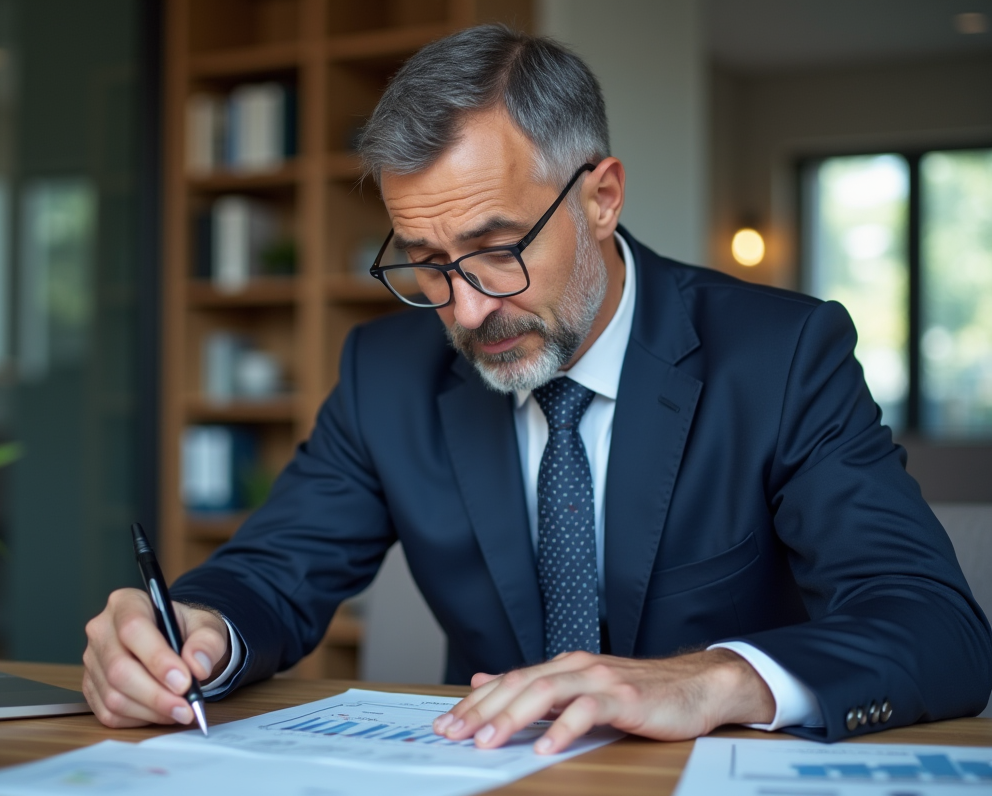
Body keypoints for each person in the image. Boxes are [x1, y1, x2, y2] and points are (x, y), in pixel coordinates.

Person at [83, 25, 991, 753]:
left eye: (497, 250)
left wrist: (713, 679)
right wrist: (198, 629)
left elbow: (936, 627)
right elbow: (274, 575)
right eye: (429, 263)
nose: (469, 310)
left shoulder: (782, 353)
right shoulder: (387, 372)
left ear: (601, 198)